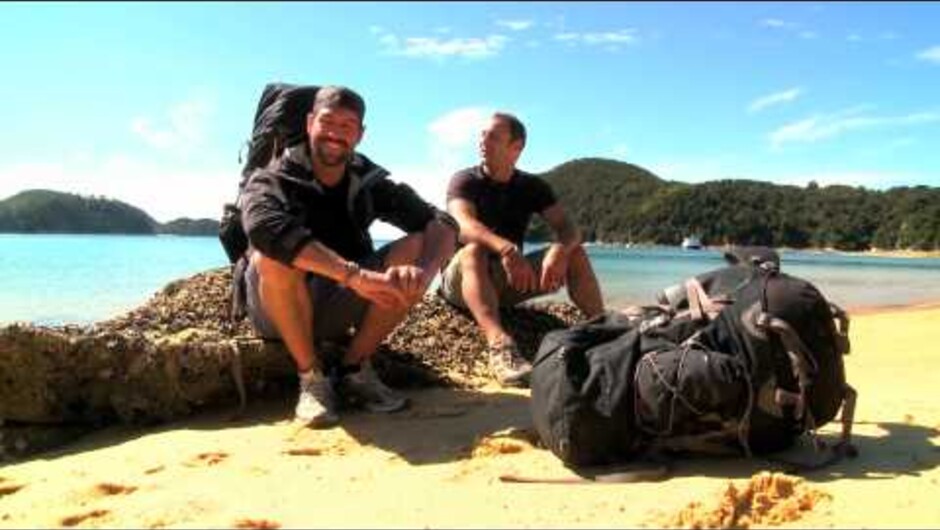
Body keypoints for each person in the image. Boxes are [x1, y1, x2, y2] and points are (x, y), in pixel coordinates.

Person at [240, 85, 458, 427]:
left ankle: (354, 369)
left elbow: (442, 223)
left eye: (347, 126)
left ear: (360, 134)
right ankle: (312, 380)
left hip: (337, 301)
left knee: (415, 245)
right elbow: (267, 230)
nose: (335, 134)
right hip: (277, 309)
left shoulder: (368, 181)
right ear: (310, 122)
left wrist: (426, 273)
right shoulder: (272, 178)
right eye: (327, 121)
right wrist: (353, 275)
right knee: (271, 257)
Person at [438, 112, 604, 387]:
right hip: (461, 282)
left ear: (517, 147)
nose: (482, 141)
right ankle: (499, 347)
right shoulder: (465, 180)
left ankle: (602, 326)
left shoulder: (532, 186)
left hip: (508, 282)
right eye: (482, 135)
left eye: (492, 136)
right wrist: (507, 250)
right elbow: (463, 225)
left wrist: (560, 250)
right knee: (473, 250)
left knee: (575, 251)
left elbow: (568, 227)